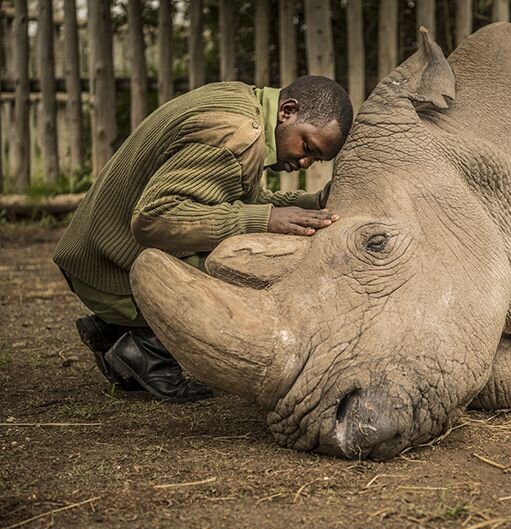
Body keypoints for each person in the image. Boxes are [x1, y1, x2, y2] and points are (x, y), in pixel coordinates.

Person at [53, 76, 354, 403]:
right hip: (107, 271)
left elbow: (237, 200)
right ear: (288, 112)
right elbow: (153, 218)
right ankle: (144, 346)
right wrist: (264, 220)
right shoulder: (238, 135)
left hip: (95, 255)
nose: (304, 162)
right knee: (252, 267)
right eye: (308, 147)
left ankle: (119, 330)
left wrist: (314, 204)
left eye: (316, 159)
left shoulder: (242, 102)